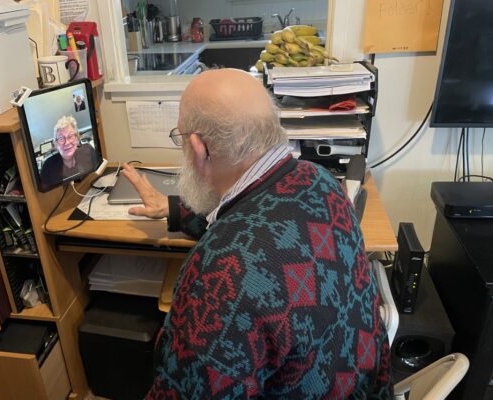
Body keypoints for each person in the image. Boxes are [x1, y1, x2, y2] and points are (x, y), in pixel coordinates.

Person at [121, 69, 393, 398]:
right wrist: (175, 210)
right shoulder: (323, 183)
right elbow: (266, 226)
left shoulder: (217, 275)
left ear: (199, 148)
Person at [40, 115, 96, 187]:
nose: (67, 142)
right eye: (61, 138)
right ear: (56, 144)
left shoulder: (88, 150)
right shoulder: (48, 166)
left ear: (77, 138)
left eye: (70, 136)